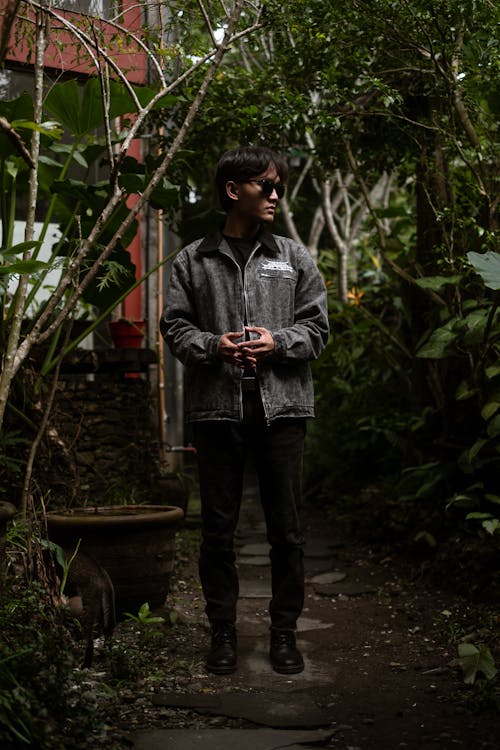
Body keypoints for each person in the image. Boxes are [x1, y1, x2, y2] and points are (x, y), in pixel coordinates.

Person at [160, 145, 329, 675]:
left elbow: (318, 328)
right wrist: (215, 346)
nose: (276, 195)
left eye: (277, 185)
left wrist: (276, 342)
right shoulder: (193, 259)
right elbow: (175, 325)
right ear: (234, 191)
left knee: (288, 531)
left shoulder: (295, 258)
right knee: (217, 530)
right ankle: (223, 635)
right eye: (266, 185)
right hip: (217, 411)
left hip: (283, 411)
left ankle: (283, 635)